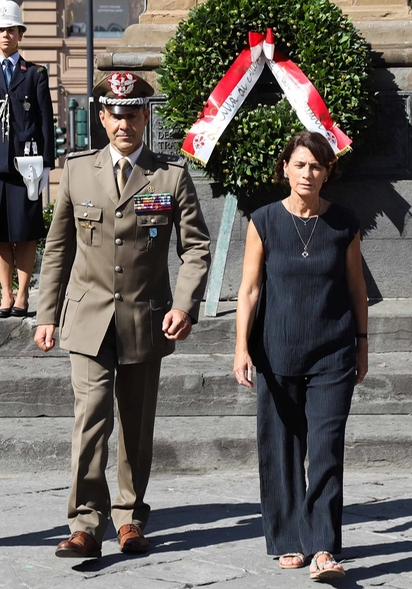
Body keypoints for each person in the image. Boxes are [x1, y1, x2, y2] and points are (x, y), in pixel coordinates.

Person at [32, 71, 211, 559]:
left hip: (145, 317)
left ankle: (129, 517)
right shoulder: (77, 171)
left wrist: (184, 304)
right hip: (87, 318)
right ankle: (86, 523)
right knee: (90, 419)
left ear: (145, 117)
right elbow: (57, 249)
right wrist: (45, 313)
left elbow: (195, 247)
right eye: (115, 115)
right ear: (102, 117)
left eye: (133, 115)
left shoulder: (169, 176)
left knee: (136, 423)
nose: (124, 123)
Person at [233, 132, 369, 581]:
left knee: (326, 448)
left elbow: (356, 289)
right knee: (281, 447)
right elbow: (250, 288)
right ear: (285, 169)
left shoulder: (344, 223)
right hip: (276, 351)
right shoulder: (265, 220)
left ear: (328, 172)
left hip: (333, 352)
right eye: (300, 164)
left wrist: (362, 344)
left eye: (316, 166)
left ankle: (324, 547)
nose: (308, 173)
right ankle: (288, 538)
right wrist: (241, 346)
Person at [0, 0, 55, 319]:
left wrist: (48, 161)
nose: (6, 35)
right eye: (1, 30)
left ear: (20, 34)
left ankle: (22, 296)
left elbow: (46, 118)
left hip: (27, 163)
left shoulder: (34, 73)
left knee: (26, 232)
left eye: (12, 29)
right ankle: (4, 295)